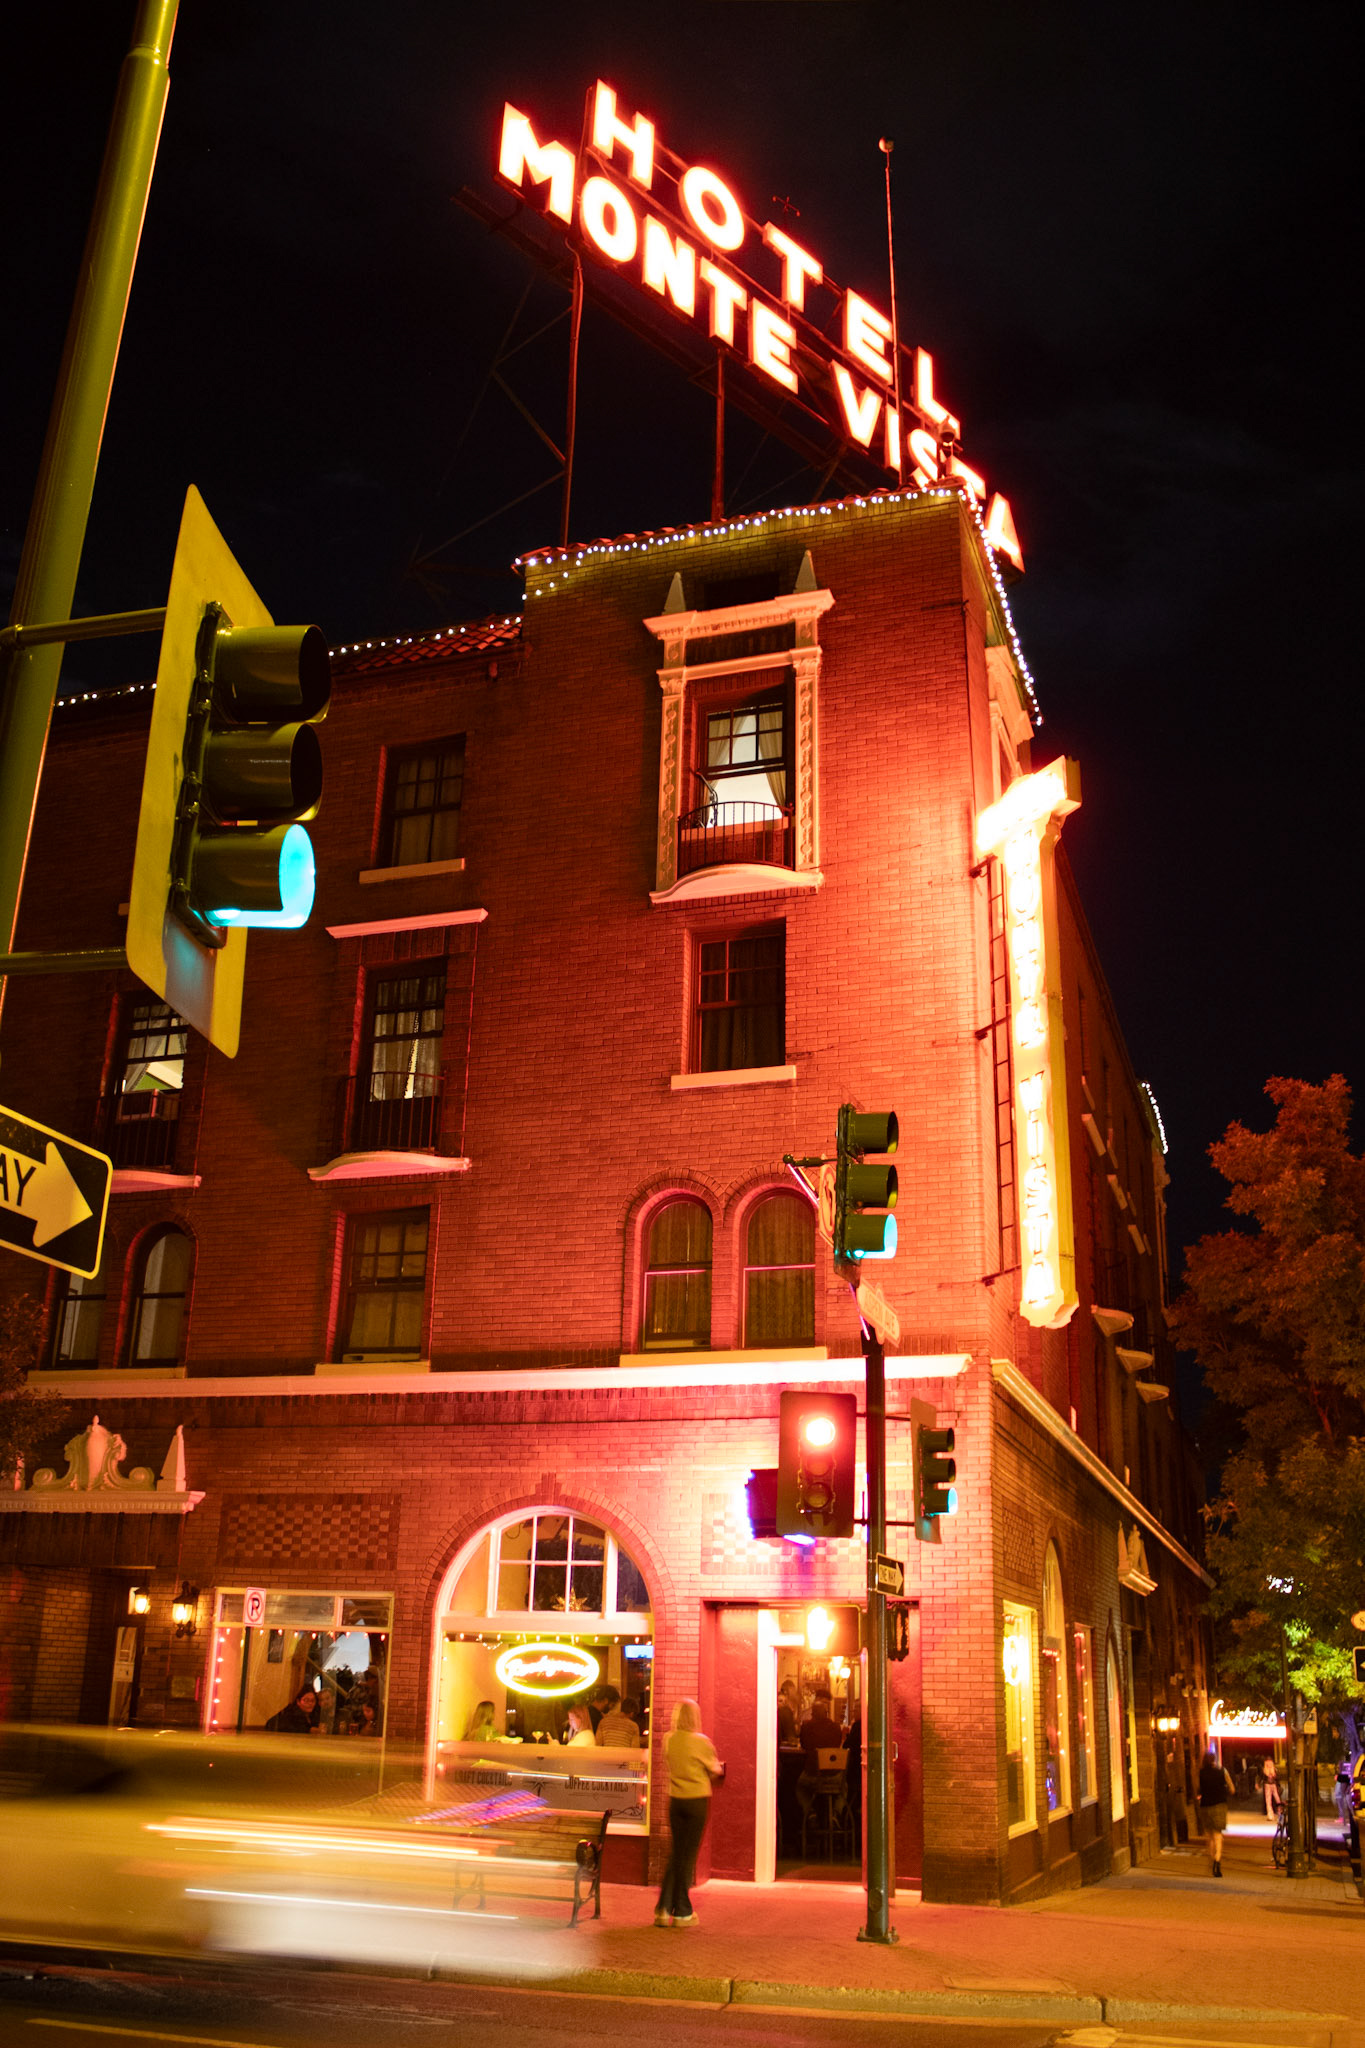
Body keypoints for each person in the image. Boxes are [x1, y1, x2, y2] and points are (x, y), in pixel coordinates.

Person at [655, 1699, 723, 1928]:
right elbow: (715, 1770)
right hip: (696, 1801)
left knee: (677, 1852)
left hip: (675, 1801)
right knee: (687, 1856)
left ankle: (663, 1909)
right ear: (695, 1717)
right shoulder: (702, 1742)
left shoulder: (669, 1739)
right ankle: (682, 1911)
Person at [1197, 1742, 1235, 1876]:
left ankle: (1212, 1857)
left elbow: (1199, 1790)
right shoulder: (1222, 1771)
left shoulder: (1201, 1773)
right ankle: (1217, 1862)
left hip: (1206, 1806)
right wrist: (1225, 1791)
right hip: (1219, 1806)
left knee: (1210, 1836)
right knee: (1218, 1836)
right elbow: (1232, 1789)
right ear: (1214, 1760)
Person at [777, 1679, 798, 1746]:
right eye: (780, 1701)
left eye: (784, 1701)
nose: (783, 1703)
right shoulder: (787, 1711)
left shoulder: (790, 1708)